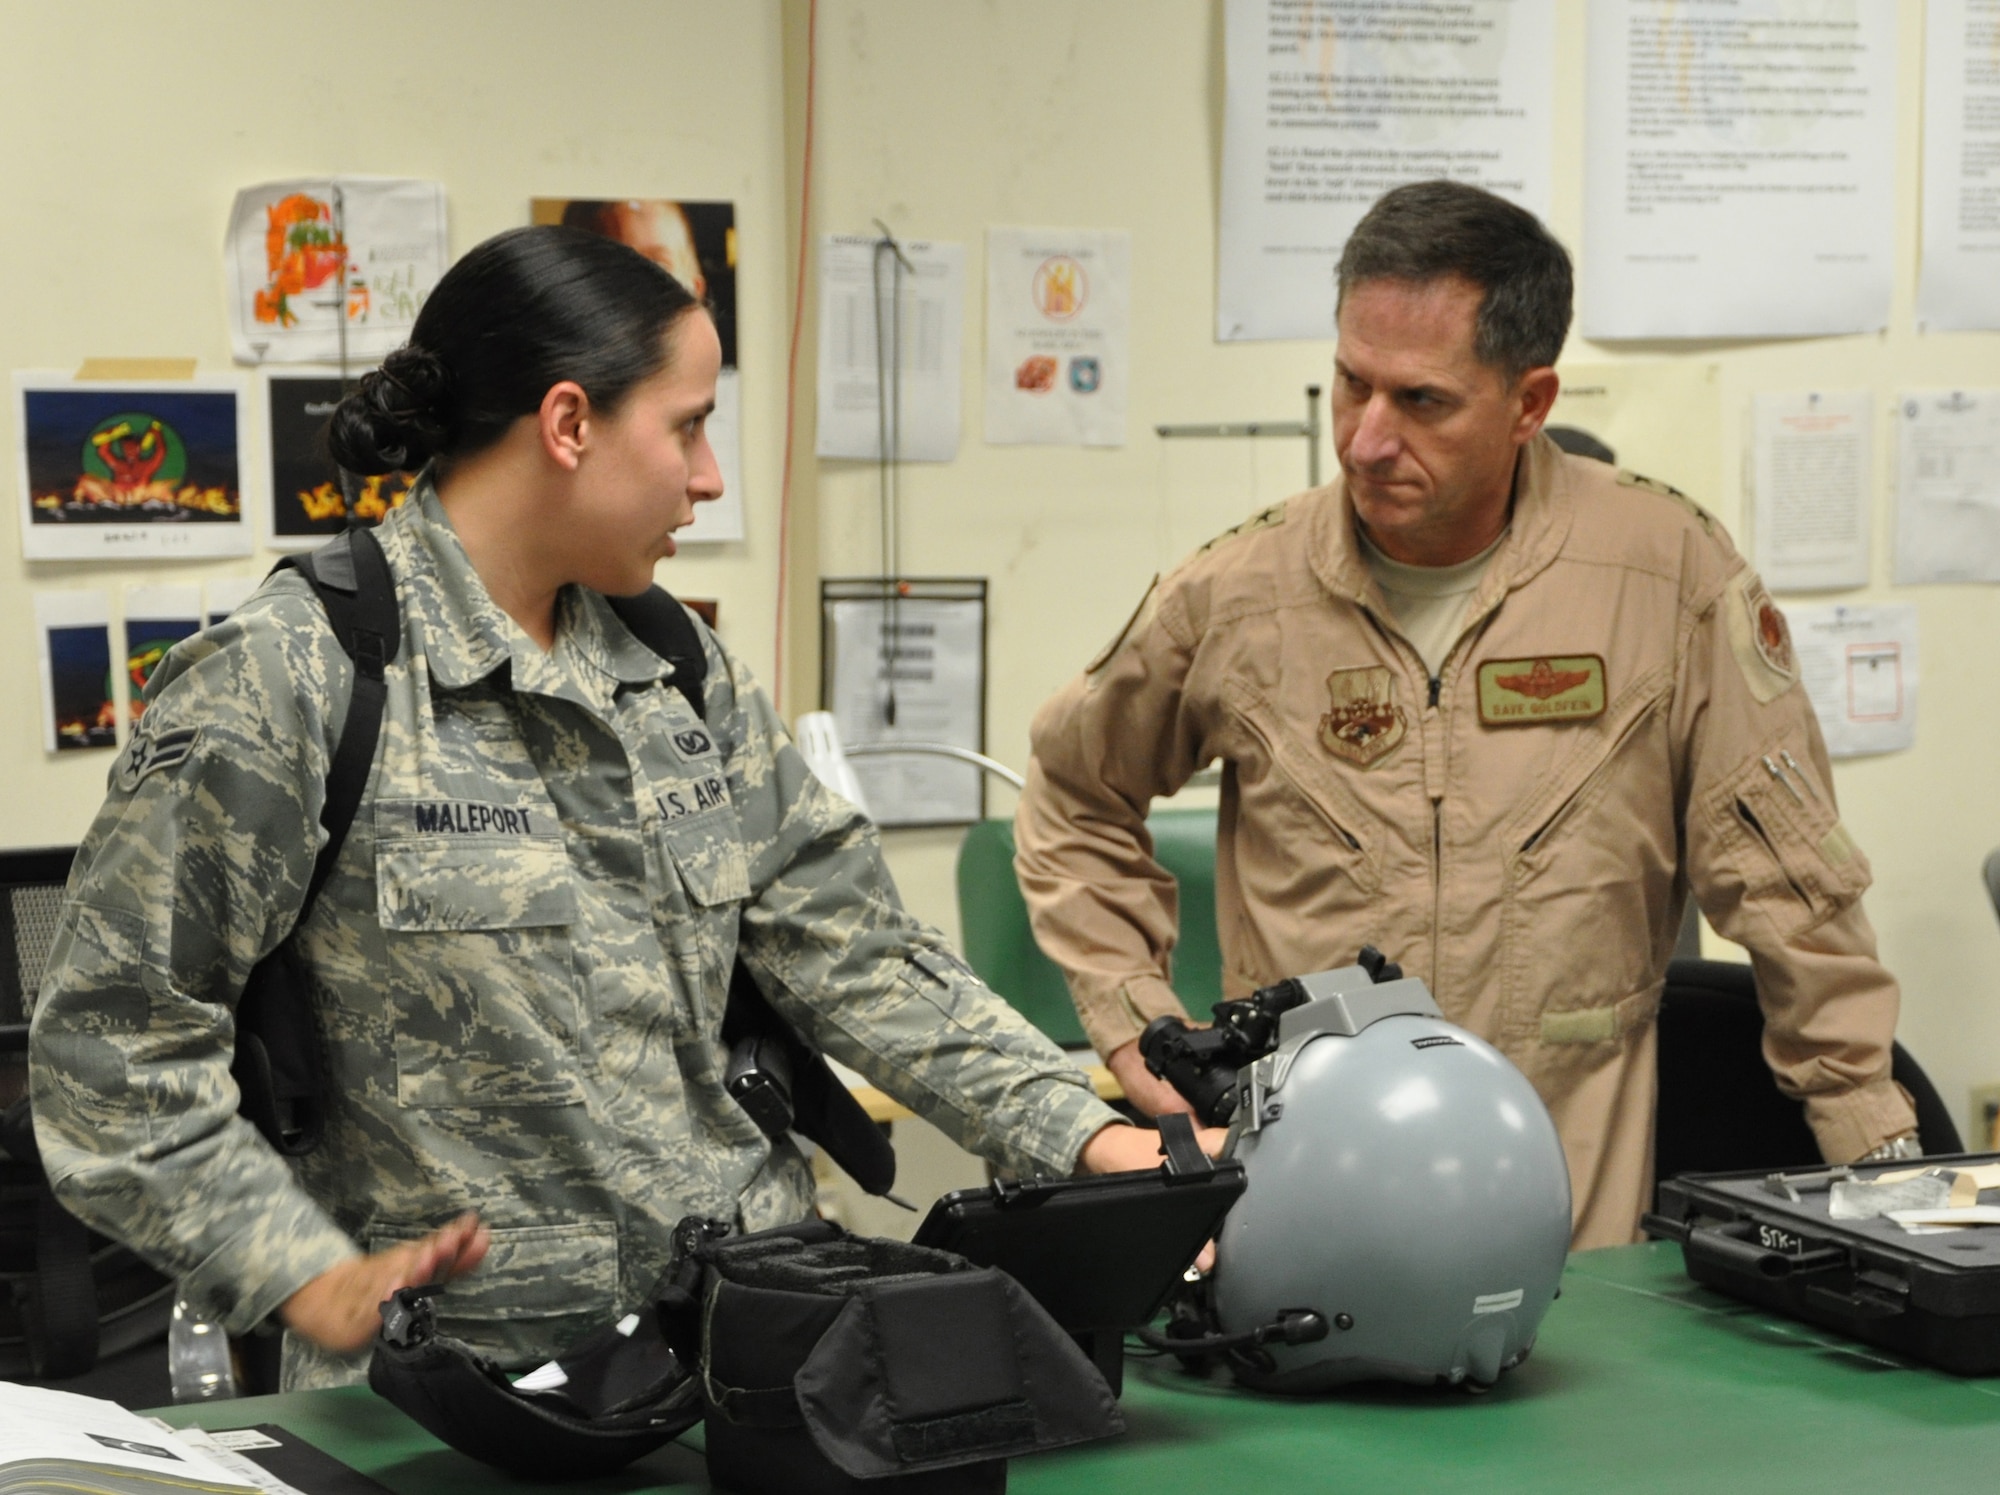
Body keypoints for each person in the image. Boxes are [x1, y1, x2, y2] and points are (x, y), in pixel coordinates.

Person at [29, 225, 1164, 1390]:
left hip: (751, 1358)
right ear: (569, 423)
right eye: (687, 424)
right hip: (460, 1402)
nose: (710, 474)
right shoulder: (295, 678)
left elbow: (857, 951)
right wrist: (297, 1272)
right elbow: (105, 1054)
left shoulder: (677, 664)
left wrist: (1087, 1135)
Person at [1014, 181, 1918, 1249]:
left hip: (1574, 1248)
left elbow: (1788, 888)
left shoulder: (1662, 577)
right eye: (1349, 385)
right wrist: (1136, 1026)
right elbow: (1072, 790)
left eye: (1420, 401)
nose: (1363, 440)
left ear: (1528, 403)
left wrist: (1879, 1163)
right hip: (1306, 1224)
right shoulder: (1237, 593)